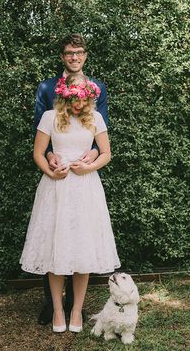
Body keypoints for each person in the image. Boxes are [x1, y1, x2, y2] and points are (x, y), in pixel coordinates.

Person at [20, 75, 121, 333]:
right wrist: (51, 172)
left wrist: (88, 166)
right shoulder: (49, 117)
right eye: (75, 98)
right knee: (56, 248)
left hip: (86, 188)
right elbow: (38, 153)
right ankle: (57, 310)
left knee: (83, 247)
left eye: (84, 98)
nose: (79, 103)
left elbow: (106, 153)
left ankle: (76, 310)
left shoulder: (96, 118)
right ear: (65, 95)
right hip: (56, 187)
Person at [33, 33, 109, 326]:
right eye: (69, 53)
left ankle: (76, 308)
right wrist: (51, 157)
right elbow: (43, 130)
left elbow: (100, 136)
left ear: (85, 55)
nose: (74, 57)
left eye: (79, 52)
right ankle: (54, 307)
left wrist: (90, 157)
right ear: (62, 56)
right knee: (54, 238)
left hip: (83, 174)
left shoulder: (97, 87)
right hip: (58, 171)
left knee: (81, 239)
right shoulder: (47, 88)